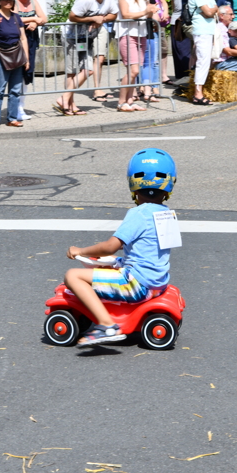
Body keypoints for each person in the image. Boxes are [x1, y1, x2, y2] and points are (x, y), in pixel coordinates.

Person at [64, 148, 177, 347]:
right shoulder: (166, 214)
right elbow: (151, 253)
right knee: (105, 266)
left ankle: (107, 325)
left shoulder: (138, 214)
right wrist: (117, 262)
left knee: (72, 275)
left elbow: (110, 247)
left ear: (133, 183)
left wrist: (80, 251)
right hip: (156, 282)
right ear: (170, 183)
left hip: (136, 285)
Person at [54, 0, 116, 115]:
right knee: (72, 72)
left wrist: (103, 18)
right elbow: (72, 16)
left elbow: (114, 14)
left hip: (85, 39)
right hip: (71, 37)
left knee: (88, 70)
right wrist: (92, 18)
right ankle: (70, 105)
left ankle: (64, 97)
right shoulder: (86, 0)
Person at [0, 0, 30, 128]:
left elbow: (23, 39)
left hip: (17, 56)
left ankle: (12, 118)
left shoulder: (16, 17)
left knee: (15, 90)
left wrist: (26, 59)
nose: (8, 2)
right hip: (1, 57)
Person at [116, 0, 157, 112]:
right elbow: (126, 14)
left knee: (136, 70)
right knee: (132, 70)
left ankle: (129, 101)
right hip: (128, 34)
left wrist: (153, 14)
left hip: (141, 34)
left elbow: (147, 15)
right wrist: (146, 12)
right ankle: (121, 102)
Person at [14, 0, 47, 119]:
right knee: (17, 72)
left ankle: (21, 107)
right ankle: (14, 107)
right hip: (16, 41)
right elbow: (15, 18)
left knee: (28, 72)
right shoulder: (14, 2)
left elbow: (44, 18)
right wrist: (33, 19)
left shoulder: (34, 2)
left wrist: (36, 22)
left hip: (31, 40)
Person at [187, 0, 218, 105]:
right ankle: (197, 93)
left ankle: (199, 91)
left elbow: (214, 8)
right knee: (202, 62)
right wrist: (211, 11)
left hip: (208, 30)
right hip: (201, 31)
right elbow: (209, 12)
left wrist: (211, 11)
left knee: (205, 61)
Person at [141, 0, 169, 102]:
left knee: (155, 59)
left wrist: (165, 12)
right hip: (144, 26)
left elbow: (163, 2)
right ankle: (144, 86)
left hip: (155, 26)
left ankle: (155, 86)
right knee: (144, 60)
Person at [92, 0, 117, 102]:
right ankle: (97, 90)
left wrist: (105, 18)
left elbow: (114, 11)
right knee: (98, 59)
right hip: (97, 29)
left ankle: (98, 88)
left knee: (99, 59)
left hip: (104, 27)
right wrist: (102, 18)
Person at [170, 0, 195, 81]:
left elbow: (174, 7)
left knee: (178, 51)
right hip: (190, 21)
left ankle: (180, 76)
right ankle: (189, 75)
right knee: (189, 51)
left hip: (176, 22)